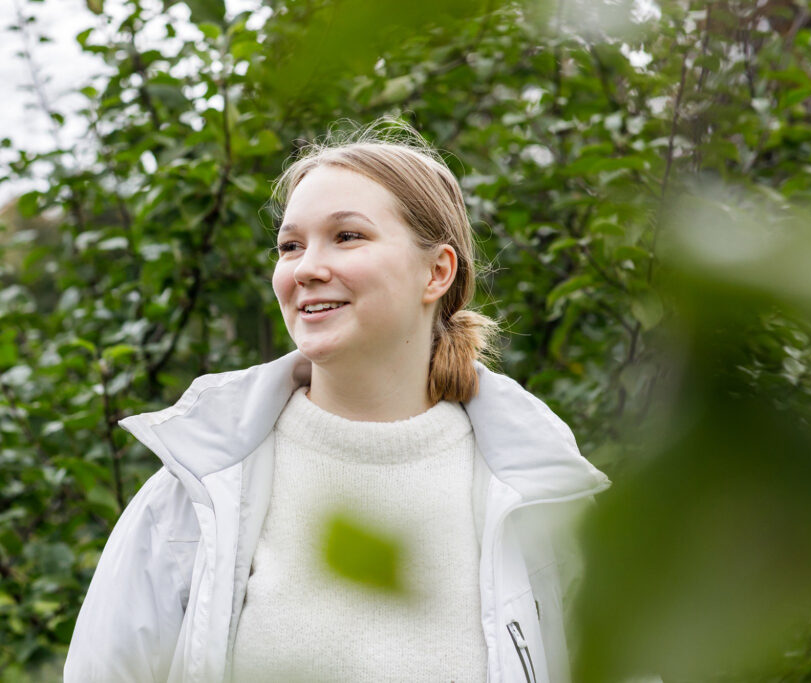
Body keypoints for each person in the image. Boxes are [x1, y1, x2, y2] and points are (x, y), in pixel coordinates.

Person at [63, 120, 610, 683]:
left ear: (437, 272)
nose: (306, 269)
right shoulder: (191, 496)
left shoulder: (543, 500)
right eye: (290, 245)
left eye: (347, 236)